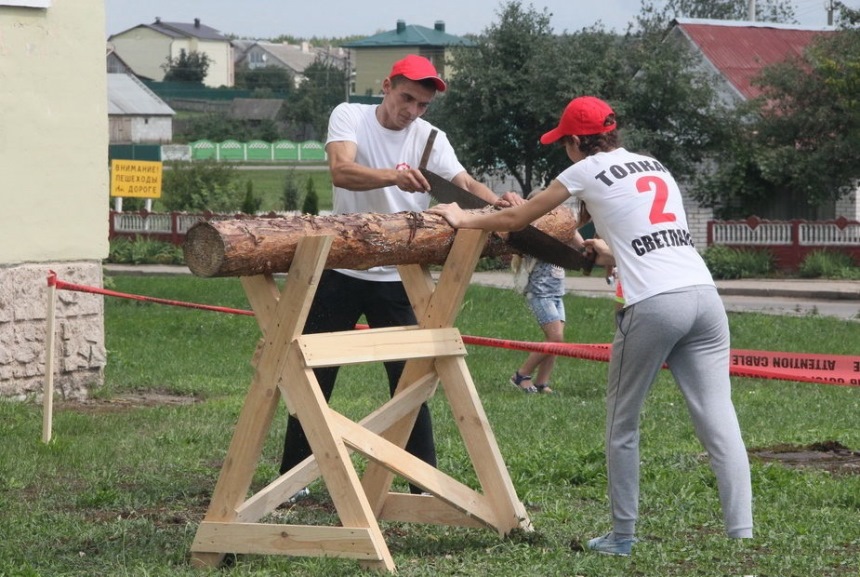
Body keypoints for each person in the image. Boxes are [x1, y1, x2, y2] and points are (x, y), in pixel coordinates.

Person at [428, 95, 753, 554]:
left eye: (565, 143)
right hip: (703, 296)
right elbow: (655, 235)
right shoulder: (653, 165)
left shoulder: (583, 170)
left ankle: (622, 537)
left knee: (623, 424)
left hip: (654, 304)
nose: (565, 150)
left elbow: (520, 217)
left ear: (580, 141)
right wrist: (611, 253)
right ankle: (742, 534)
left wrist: (465, 217)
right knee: (720, 418)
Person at [279, 54, 522, 496]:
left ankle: (420, 482)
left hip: (400, 276)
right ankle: (293, 480)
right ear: (387, 86)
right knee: (313, 375)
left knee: (410, 381)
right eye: (407, 98)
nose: (412, 111)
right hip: (342, 268)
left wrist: (501, 207)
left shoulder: (430, 138)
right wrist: (395, 177)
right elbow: (342, 170)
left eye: (423, 105)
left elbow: (464, 185)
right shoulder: (349, 115)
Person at [509, 197, 583, 394]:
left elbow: (581, 245)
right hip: (540, 293)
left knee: (556, 340)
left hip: (556, 293)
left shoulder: (562, 229)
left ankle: (542, 382)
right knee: (555, 338)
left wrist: (568, 221)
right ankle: (521, 375)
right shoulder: (536, 230)